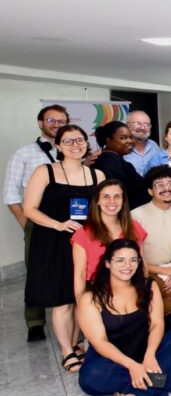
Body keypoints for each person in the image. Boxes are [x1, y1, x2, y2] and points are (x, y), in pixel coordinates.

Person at [77, 239, 171, 396]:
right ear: (108, 263)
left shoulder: (149, 286)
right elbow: (100, 342)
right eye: (120, 260)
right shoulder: (90, 298)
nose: (128, 265)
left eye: (133, 260)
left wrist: (149, 356)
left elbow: (156, 324)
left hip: (146, 351)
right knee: (91, 377)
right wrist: (133, 366)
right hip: (113, 360)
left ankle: (134, 395)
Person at [23, 124, 105, 372]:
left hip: (86, 243)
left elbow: (104, 209)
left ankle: (77, 342)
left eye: (79, 140)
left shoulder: (96, 175)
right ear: (58, 145)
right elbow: (29, 209)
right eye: (68, 141)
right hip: (54, 242)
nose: (75, 145)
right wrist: (58, 225)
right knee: (63, 300)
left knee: (83, 297)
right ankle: (67, 350)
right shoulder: (45, 172)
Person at [3, 103, 68, 342]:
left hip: (69, 219)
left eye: (61, 121)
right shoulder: (25, 153)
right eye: (51, 120)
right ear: (41, 123)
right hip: (38, 220)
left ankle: (69, 312)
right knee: (37, 271)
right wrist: (27, 224)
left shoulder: (72, 151)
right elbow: (11, 194)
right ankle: (35, 321)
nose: (56, 125)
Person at [130, 166, 171, 318]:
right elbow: (134, 258)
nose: (167, 188)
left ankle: (150, 320)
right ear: (150, 191)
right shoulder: (136, 215)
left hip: (166, 270)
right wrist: (167, 272)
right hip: (141, 273)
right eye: (160, 184)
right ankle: (142, 321)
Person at [72, 179, 147, 299]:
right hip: (98, 293)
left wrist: (143, 297)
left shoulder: (134, 227)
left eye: (117, 196)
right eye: (106, 196)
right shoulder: (83, 234)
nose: (112, 201)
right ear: (97, 201)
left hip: (131, 291)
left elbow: (142, 266)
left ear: (123, 201)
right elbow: (79, 275)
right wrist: (82, 306)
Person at [91, 121, 148, 210]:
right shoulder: (109, 162)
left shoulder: (116, 160)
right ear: (108, 140)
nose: (130, 141)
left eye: (131, 137)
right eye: (123, 138)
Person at [124, 110, 161, 178]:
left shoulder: (154, 145)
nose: (142, 128)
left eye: (147, 124)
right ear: (127, 125)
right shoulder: (121, 148)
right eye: (138, 123)